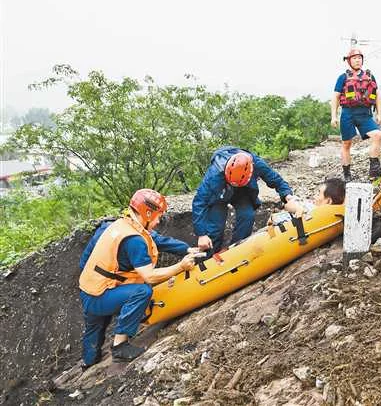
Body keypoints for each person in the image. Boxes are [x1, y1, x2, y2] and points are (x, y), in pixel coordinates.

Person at [78, 189, 198, 369]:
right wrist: (180, 267)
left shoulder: (123, 224)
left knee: (94, 329)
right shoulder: (134, 240)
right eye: (158, 216)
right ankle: (120, 346)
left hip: (91, 287)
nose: (158, 221)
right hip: (100, 293)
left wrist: (186, 249)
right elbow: (149, 276)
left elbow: (156, 239)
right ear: (147, 213)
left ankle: (88, 364)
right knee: (142, 292)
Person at [192, 146, 305, 253]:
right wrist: (201, 234)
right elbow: (199, 202)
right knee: (215, 228)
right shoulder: (214, 175)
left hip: (242, 191)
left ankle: (236, 250)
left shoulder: (256, 163)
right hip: (221, 192)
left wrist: (288, 196)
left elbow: (276, 180)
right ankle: (209, 259)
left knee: (247, 216)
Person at [331, 48, 381, 181]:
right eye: (354, 58)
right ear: (349, 61)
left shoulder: (370, 76)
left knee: (377, 135)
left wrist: (379, 114)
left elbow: (377, 95)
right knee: (346, 144)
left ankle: (374, 168)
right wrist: (334, 116)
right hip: (348, 112)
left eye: (359, 58)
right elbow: (336, 96)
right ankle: (347, 174)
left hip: (365, 113)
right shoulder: (343, 77)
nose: (357, 60)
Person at [269, 178, 346, 225]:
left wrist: (298, 208)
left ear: (328, 201)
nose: (314, 196)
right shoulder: (336, 215)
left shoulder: (313, 210)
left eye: (318, 193)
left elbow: (288, 205)